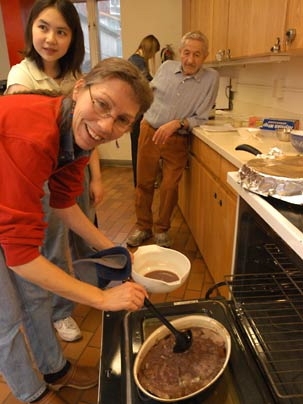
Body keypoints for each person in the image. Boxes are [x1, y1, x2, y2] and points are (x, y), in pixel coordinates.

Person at [0, 57, 153, 404]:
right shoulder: (33, 135)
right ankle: (32, 394)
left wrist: (113, 250)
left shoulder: (77, 133)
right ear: (81, 88)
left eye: (122, 120)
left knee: (35, 295)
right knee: (5, 316)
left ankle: (55, 369)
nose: (105, 125)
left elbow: (64, 203)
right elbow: (22, 258)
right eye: (102, 105)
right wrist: (101, 298)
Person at [5, 0, 104, 342]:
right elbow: (26, 144)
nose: (50, 38)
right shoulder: (21, 75)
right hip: (33, 176)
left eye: (61, 31)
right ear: (31, 28)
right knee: (49, 243)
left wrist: (97, 177)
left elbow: (88, 136)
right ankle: (59, 312)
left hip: (66, 170)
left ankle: (81, 285)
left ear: (72, 38)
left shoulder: (77, 78)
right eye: (43, 27)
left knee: (78, 228)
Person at [127, 31, 219, 248]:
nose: (190, 59)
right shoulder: (167, 67)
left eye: (197, 54)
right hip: (150, 130)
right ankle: (143, 227)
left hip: (178, 136)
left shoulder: (211, 78)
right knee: (144, 183)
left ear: (205, 57)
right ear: (180, 52)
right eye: (187, 53)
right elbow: (149, 94)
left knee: (169, 186)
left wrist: (177, 123)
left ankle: (161, 230)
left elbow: (201, 116)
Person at [128, 34, 160, 186]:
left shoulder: (133, 60)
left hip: (133, 112)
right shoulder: (138, 63)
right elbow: (148, 85)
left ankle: (138, 180)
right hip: (138, 113)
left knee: (137, 147)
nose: (153, 56)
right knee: (140, 148)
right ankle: (141, 181)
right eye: (153, 52)